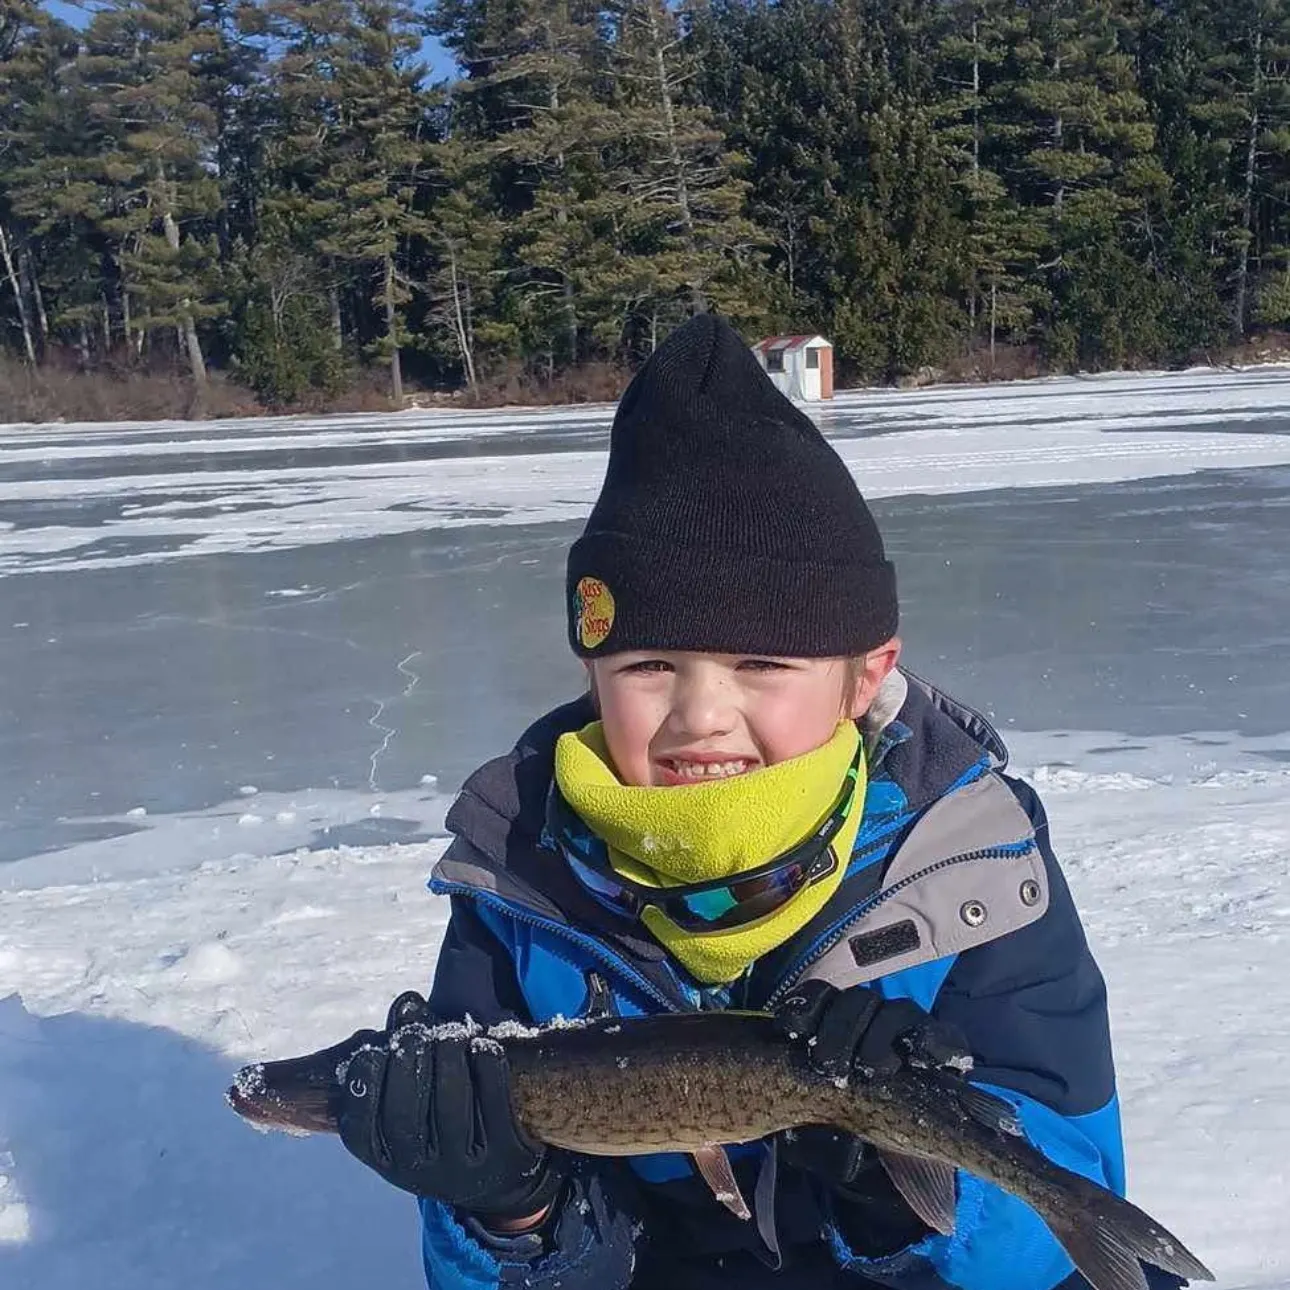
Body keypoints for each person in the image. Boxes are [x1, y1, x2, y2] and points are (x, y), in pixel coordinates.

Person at [336, 315, 1184, 1290]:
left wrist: (904, 1188)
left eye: (763, 664)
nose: (701, 716)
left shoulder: (968, 864)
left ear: (865, 677)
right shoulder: (517, 886)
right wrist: (509, 1211)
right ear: (592, 672)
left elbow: (1073, 1174)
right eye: (649, 664)